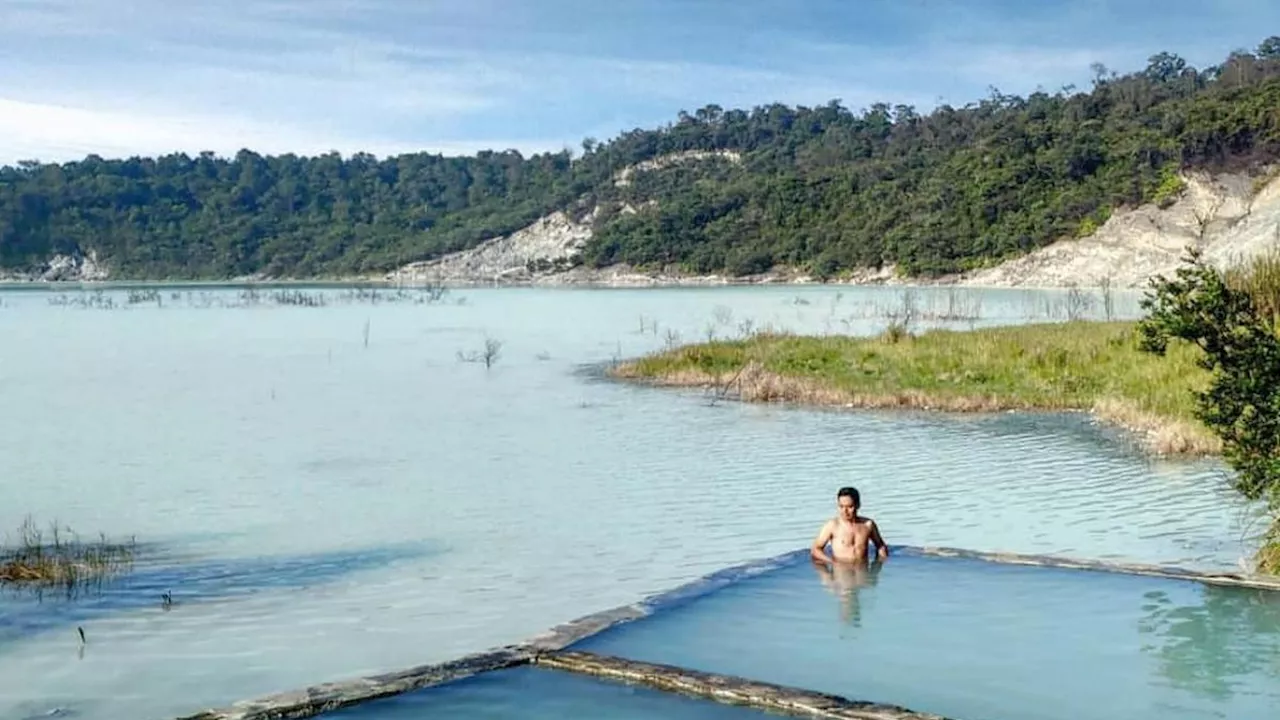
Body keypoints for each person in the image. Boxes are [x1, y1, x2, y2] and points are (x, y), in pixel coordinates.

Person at [810, 486, 888, 564]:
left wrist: (880, 563)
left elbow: (880, 545)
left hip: (862, 571)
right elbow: (815, 549)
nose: (845, 511)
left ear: (858, 505)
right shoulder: (832, 526)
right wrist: (831, 562)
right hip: (841, 571)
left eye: (849, 507)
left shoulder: (868, 525)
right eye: (841, 506)